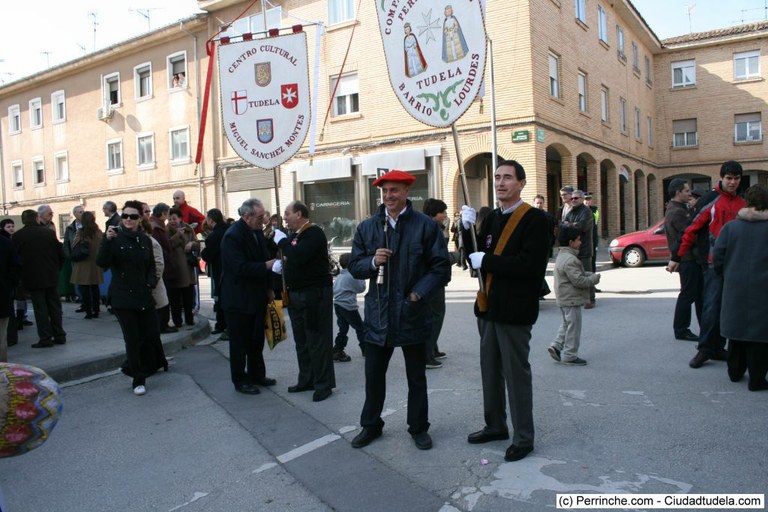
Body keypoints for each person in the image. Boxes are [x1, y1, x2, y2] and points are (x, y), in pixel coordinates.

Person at [348, 170, 451, 451]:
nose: (389, 196)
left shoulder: (425, 226)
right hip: (378, 314)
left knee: (416, 377)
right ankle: (371, 425)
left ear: (406, 192)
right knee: (373, 376)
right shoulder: (368, 227)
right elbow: (354, 265)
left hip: (412, 313)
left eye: (394, 190)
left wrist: (418, 293)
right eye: (385, 191)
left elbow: (441, 267)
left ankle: (418, 427)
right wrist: (372, 261)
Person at [461, 159, 549, 462]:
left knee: (515, 375)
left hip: (514, 310)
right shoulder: (492, 218)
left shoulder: (536, 219)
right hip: (488, 306)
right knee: (490, 371)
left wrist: (487, 261)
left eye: (508, 177)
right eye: (497, 177)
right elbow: (474, 259)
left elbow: (530, 266)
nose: (500, 182)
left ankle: (523, 437)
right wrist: (466, 231)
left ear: (521, 183)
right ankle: (495, 425)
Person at [670, 161, 746, 369]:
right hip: (712, 264)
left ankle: (718, 347)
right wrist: (677, 256)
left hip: (736, 265)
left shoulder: (743, 202)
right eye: (729, 178)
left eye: (736, 178)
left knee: (729, 308)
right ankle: (704, 349)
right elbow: (690, 229)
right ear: (721, 178)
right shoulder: (710, 200)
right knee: (711, 307)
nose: (732, 182)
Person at [97, 200, 167, 395]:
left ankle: (131, 366)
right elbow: (101, 262)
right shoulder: (114, 238)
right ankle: (138, 379)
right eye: (125, 216)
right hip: (122, 298)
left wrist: (150, 283)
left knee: (151, 334)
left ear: (140, 219)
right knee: (132, 338)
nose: (128, 219)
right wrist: (106, 241)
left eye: (133, 216)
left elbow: (152, 265)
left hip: (144, 296)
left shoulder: (144, 240)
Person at [273, 201, 336, 403]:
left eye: (287, 213)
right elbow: (293, 258)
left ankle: (323, 384)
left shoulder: (313, 233)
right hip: (296, 294)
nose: (285, 218)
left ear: (299, 214)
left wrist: (283, 243)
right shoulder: (295, 236)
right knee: (302, 340)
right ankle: (306, 379)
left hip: (314, 294)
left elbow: (299, 256)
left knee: (317, 339)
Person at [219, 198, 279, 395]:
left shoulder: (257, 232)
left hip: (257, 295)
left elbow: (264, 257)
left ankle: (257, 374)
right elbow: (239, 267)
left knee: (256, 339)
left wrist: (269, 288)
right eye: (260, 217)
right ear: (246, 216)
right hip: (238, 298)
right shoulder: (233, 236)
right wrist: (266, 266)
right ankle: (240, 379)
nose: (263, 220)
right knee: (239, 342)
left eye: (264, 216)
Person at [713, 184, 768, 391]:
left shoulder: (731, 228)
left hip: (735, 286)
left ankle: (735, 371)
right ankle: (757, 379)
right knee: (760, 336)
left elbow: (717, 257)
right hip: (763, 289)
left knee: (736, 331)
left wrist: (726, 274)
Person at [13, 209, 66, 348]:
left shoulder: (18, 236)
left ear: (23, 220)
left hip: (32, 277)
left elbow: (15, 259)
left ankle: (45, 337)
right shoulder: (48, 233)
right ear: (37, 218)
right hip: (51, 275)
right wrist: (56, 269)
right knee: (55, 306)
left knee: (40, 308)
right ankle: (59, 335)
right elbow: (61, 253)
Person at [548, 227, 601, 366]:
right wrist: (593, 279)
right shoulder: (570, 259)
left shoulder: (562, 256)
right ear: (570, 242)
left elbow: (575, 274)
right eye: (578, 240)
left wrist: (588, 274)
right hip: (571, 299)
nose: (580, 242)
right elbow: (579, 281)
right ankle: (570, 355)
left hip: (564, 297)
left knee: (567, 323)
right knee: (574, 327)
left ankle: (556, 345)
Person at [663, 179, 702, 342]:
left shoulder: (678, 209)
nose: (689, 193)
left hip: (687, 258)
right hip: (687, 259)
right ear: (678, 193)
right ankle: (681, 329)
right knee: (687, 295)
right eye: (686, 191)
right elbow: (689, 234)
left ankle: (698, 328)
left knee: (695, 294)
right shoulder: (677, 212)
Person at [422, 198, 452, 368]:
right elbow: (437, 256)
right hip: (434, 279)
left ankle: (433, 348)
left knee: (432, 316)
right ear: (434, 213)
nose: (445, 215)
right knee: (435, 316)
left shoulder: (426, 226)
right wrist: (454, 257)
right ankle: (427, 354)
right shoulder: (432, 229)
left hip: (430, 279)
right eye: (443, 212)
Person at [562, 190, 595, 308]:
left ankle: (590, 299)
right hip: (572, 248)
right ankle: (578, 298)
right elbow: (563, 225)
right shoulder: (570, 211)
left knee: (586, 274)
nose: (573, 200)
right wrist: (571, 225)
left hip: (584, 248)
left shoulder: (586, 212)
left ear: (581, 199)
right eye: (572, 198)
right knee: (574, 275)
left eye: (576, 198)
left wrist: (570, 225)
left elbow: (582, 227)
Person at [166, 207, 198, 328]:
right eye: (169, 219)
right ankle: (177, 321)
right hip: (175, 268)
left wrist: (191, 243)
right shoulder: (166, 230)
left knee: (188, 297)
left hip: (188, 267)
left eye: (174, 218)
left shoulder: (188, 229)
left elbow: (197, 244)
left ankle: (189, 319)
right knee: (175, 299)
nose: (172, 221)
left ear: (180, 218)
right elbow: (168, 245)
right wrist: (177, 235)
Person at [332, 253, 366, 362]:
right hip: (348, 307)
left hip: (338, 305)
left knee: (343, 329)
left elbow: (334, 290)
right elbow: (361, 288)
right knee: (360, 328)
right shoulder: (351, 276)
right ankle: (366, 349)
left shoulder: (340, 276)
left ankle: (337, 350)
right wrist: (362, 278)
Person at [70, 211, 104, 319]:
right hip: (95, 263)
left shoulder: (81, 232)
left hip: (83, 263)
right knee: (95, 287)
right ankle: (96, 310)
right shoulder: (98, 232)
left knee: (84, 288)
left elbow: (74, 245)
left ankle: (88, 311)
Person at [149, 203, 177, 333]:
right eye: (167, 214)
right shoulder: (156, 227)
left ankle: (164, 323)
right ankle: (163, 324)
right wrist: (168, 258)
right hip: (162, 268)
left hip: (165, 266)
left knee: (164, 298)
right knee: (162, 299)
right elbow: (159, 249)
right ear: (163, 214)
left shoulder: (159, 226)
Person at [201, 208, 228, 339]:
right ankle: (223, 324)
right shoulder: (229, 230)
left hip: (220, 270)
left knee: (221, 298)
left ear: (211, 221)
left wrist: (201, 251)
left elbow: (207, 255)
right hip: (231, 269)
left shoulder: (214, 236)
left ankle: (222, 324)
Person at [0, 229, 20, 362]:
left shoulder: (6, 243)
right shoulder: (6, 243)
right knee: (1, 338)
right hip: (2, 295)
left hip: (2, 294)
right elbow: (16, 269)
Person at [533, 194, 555, 299]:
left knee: (541, 271)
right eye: (537, 203)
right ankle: (540, 291)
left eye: (541, 203)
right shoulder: (529, 216)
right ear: (534, 203)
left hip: (544, 248)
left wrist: (548, 246)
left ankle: (540, 292)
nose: (539, 205)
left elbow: (552, 233)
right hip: (532, 248)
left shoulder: (548, 217)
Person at [63, 205, 85, 306]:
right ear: (75, 214)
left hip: (85, 256)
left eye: (83, 212)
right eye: (80, 212)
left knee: (86, 279)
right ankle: (80, 298)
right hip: (74, 257)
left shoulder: (87, 226)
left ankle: (86, 300)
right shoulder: (70, 228)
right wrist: (69, 255)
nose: (82, 214)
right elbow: (66, 243)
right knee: (77, 279)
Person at [584, 192, 600, 276]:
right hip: (583, 241)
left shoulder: (594, 210)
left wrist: (596, 242)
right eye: (586, 199)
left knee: (593, 261)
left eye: (589, 199)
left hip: (593, 239)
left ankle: (592, 279)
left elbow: (594, 226)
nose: (587, 201)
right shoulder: (580, 210)